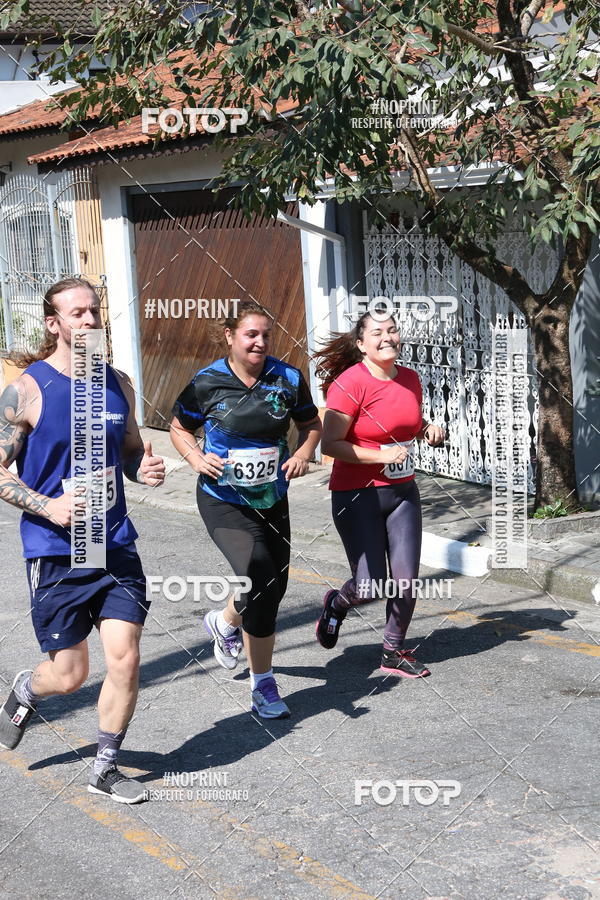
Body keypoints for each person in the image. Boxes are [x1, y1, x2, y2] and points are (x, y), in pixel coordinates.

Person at [0, 278, 165, 803]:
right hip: (58, 549)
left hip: (113, 542)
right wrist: (49, 505)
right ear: (54, 324)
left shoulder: (119, 382)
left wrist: (146, 468)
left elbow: (132, 451)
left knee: (126, 657)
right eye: (78, 314)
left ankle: (106, 767)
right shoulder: (27, 389)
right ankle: (28, 689)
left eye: (95, 311)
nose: (91, 321)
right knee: (70, 676)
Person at [170, 300, 321, 718]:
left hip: (272, 499)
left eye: (266, 335)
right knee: (260, 575)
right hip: (223, 500)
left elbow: (311, 425)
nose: (259, 342)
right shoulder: (207, 382)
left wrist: (305, 452)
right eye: (251, 334)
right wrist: (196, 459)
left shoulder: (287, 377)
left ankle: (223, 623)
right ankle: (263, 686)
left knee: (271, 588)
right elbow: (179, 428)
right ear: (230, 336)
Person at [314, 311, 444, 677]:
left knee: (405, 578)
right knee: (369, 586)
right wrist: (380, 455)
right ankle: (337, 604)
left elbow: (407, 423)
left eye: (392, 330)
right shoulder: (350, 383)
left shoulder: (410, 379)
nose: (387, 337)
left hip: (402, 493)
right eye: (377, 332)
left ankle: (392, 651)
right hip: (357, 495)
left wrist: (429, 429)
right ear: (361, 344)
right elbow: (332, 444)